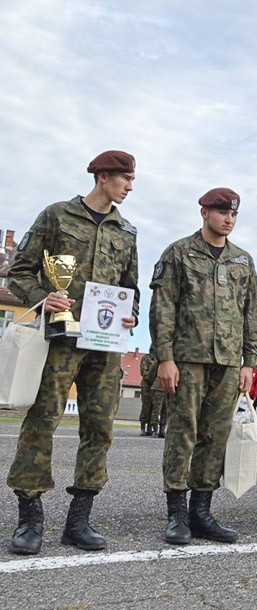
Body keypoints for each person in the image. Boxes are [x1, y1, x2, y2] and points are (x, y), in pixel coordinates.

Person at [6, 150, 139, 555]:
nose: (129, 186)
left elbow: (130, 289)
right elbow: (20, 270)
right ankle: (30, 518)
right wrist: (42, 297)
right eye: (124, 179)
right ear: (102, 176)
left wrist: (130, 316)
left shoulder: (126, 231)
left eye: (131, 180)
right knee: (42, 422)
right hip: (60, 339)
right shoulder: (57, 215)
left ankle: (79, 520)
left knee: (99, 428)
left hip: (104, 346)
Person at [150, 187, 257, 545]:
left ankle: (201, 511)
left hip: (228, 363)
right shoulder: (179, 253)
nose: (228, 219)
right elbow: (163, 308)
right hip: (188, 359)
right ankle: (176, 514)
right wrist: (165, 358)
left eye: (233, 214)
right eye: (221, 212)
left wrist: (248, 361)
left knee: (215, 437)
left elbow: (251, 312)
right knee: (183, 432)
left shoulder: (242, 260)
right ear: (204, 213)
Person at [140, 351, 168, 438]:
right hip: (149, 386)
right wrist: (154, 382)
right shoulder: (147, 358)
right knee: (147, 406)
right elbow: (146, 373)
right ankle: (146, 427)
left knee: (163, 408)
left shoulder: (164, 359)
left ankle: (160, 429)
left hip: (160, 386)